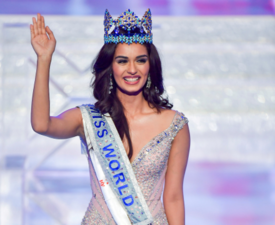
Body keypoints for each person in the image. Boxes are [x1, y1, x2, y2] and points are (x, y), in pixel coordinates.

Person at [30, 8, 190, 225]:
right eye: (122, 61)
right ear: (110, 67)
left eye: (140, 60)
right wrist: (44, 59)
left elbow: (173, 198)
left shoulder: (174, 124)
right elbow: (41, 125)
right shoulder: (88, 119)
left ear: (150, 65)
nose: (132, 69)